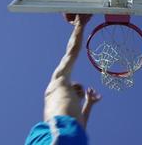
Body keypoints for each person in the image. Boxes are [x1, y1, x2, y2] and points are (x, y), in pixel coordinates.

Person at [25, 14, 102, 145]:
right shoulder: (58, 81)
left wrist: (80, 24)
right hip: (57, 134)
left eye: (78, 89)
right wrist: (80, 25)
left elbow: (79, 126)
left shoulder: (64, 87)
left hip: (70, 136)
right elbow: (71, 53)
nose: (79, 88)